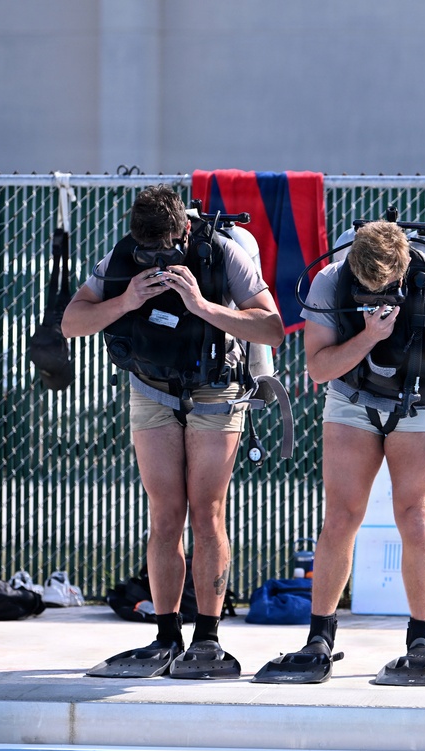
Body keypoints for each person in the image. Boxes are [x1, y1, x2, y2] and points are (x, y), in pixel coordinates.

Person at [253, 219, 425, 685]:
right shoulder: (331, 282)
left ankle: (421, 641)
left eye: (386, 289)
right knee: (341, 516)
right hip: (352, 401)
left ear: (403, 267)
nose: (377, 298)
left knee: (415, 515)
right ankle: (320, 638)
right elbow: (317, 368)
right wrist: (370, 335)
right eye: (368, 291)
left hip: (417, 402)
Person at [62, 185, 285, 679]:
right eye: (148, 251)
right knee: (164, 515)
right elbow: (73, 323)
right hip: (152, 389)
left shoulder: (222, 252)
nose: (157, 259)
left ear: (184, 231)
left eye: (166, 249)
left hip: (215, 390)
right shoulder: (122, 255)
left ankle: (206, 637)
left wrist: (202, 305)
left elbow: (271, 328)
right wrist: (126, 299)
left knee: (207, 512)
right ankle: (166, 634)